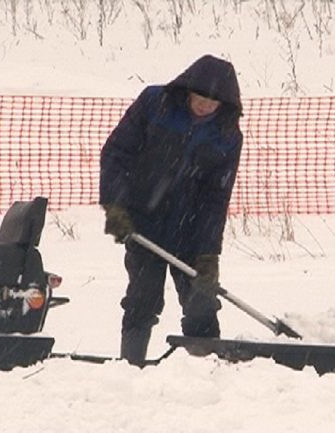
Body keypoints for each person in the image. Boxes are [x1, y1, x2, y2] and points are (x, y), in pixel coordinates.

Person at [99, 55, 243, 366]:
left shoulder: (228, 136)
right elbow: (116, 153)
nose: (205, 105)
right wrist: (116, 206)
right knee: (142, 297)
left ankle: (206, 369)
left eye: (213, 102)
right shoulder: (155, 104)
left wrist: (208, 253)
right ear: (188, 89)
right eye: (201, 97)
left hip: (190, 229)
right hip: (142, 221)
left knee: (201, 302)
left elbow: (216, 197)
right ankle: (131, 366)